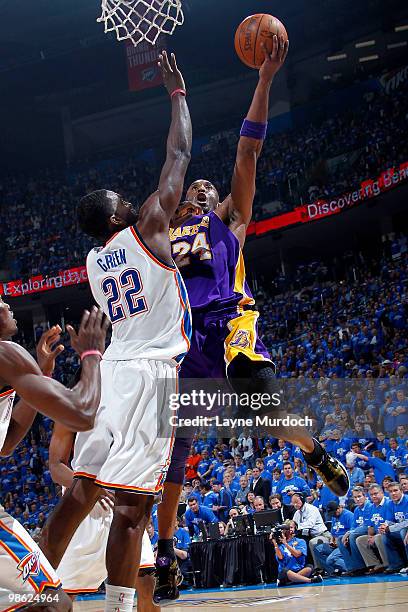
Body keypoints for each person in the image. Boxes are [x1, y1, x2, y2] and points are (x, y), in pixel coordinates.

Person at [154, 36, 349, 604]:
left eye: (207, 187)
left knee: (272, 415)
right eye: (195, 187)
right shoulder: (164, 228)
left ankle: (314, 453)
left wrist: (263, 80)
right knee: (176, 453)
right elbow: (171, 172)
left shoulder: (230, 225)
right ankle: (165, 554)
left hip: (231, 335)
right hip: (183, 346)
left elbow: (247, 152)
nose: (202, 188)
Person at [39, 50, 192, 612]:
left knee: (82, 492)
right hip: (149, 375)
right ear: (113, 219)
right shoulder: (149, 226)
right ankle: (121, 608)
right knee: (132, 510)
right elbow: (178, 154)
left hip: (113, 375)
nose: (130, 201)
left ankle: (30, 589)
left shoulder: (91, 262)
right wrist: (178, 94)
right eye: (119, 202)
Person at [0, 299, 109, 611]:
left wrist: (42, 378)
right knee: (51, 603)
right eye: (0, 302)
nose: (7, 304)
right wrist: (91, 353)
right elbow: (83, 413)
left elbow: (6, 445)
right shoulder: (5, 352)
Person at [49, 420, 157, 611]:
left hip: (124, 503)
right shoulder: (74, 402)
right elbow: (56, 467)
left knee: (147, 581)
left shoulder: (131, 402)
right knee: (64, 594)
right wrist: (94, 488)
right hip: (85, 508)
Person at [272, 521, 322, 586]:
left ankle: (291, 580)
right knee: (284, 571)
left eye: (291, 527)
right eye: (287, 528)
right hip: (287, 572)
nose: (289, 530)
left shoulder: (300, 541)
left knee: (309, 567)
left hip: (299, 570)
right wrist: (274, 542)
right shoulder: (279, 545)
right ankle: (310, 580)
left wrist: (286, 544)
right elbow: (280, 558)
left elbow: (297, 554)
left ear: (295, 528)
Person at [337, 486, 373, 576]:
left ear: (365, 496)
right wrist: (349, 533)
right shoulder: (356, 509)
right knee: (340, 539)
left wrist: (350, 533)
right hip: (358, 531)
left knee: (352, 536)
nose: (357, 499)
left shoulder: (369, 506)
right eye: (355, 497)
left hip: (369, 530)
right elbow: (353, 526)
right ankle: (351, 568)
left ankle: (360, 567)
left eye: (359, 496)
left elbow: (367, 525)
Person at [356, 483, 390, 574]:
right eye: (371, 495)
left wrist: (375, 536)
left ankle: (387, 564)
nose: (373, 496)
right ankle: (375, 564)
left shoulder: (388, 503)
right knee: (361, 540)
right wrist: (370, 536)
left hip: (387, 532)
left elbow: (389, 523)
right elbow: (370, 525)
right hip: (376, 533)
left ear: (382, 493)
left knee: (379, 537)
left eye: (376, 493)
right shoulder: (371, 507)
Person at [291, 492, 331, 568]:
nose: (295, 505)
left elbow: (310, 524)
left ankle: (318, 568)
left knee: (312, 543)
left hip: (322, 534)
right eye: (293, 503)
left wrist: (296, 526)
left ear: (302, 500)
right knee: (299, 541)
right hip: (311, 535)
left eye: (297, 502)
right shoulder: (297, 513)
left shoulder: (311, 509)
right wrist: (291, 526)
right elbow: (293, 522)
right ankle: (303, 567)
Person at [313, 501, 353, 576]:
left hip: (345, 545)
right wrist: (331, 541)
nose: (333, 515)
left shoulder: (349, 515)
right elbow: (333, 533)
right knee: (318, 548)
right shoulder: (334, 517)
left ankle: (351, 568)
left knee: (330, 560)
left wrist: (341, 542)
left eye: (334, 513)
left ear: (338, 508)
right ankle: (333, 571)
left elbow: (353, 531)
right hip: (335, 544)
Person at [378, 481, 408, 574]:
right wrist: (384, 526)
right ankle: (396, 564)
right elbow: (390, 520)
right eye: (390, 491)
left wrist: (390, 528)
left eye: (395, 490)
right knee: (385, 534)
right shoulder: (390, 504)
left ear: (401, 491)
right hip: (399, 529)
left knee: (404, 532)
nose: (393, 493)